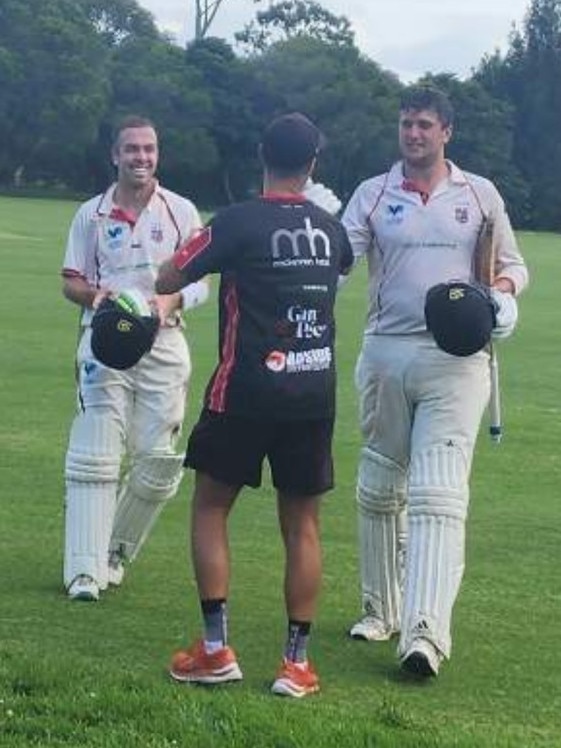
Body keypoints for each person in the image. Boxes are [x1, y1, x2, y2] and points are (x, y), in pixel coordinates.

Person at [155, 112, 353, 697]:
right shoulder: (329, 227)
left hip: (242, 389)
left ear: (261, 157)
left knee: (211, 508)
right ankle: (297, 665)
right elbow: (339, 267)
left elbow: (170, 275)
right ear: (313, 164)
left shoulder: (237, 222)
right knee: (303, 526)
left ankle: (216, 651)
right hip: (312, 391)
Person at [341, 85, 529, 677]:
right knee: (378, 485)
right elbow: (337, 263)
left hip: (457, 359)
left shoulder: (480, 195)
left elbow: (512, 266)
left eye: (424, 125)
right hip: (385, 351)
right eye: (406, 125)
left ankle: (425, 634)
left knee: (439, 496)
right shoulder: (373, 194)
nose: (414, 134)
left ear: (447, 131)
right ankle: (380, 609)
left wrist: (500, 299)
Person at [62, 115, 208, 602]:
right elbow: (71, 281)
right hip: (104, 345)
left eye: (148, 149)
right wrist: (100, 299)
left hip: (163, 345)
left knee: (158, 463)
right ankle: (83, 569)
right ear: (115, 155)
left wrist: (165, 304)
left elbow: (202, 282)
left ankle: (114, 552)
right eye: (131, 149)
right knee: (96, 454)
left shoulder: (182, 212)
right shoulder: (92, 214)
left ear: (158, 154)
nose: (141, 157)